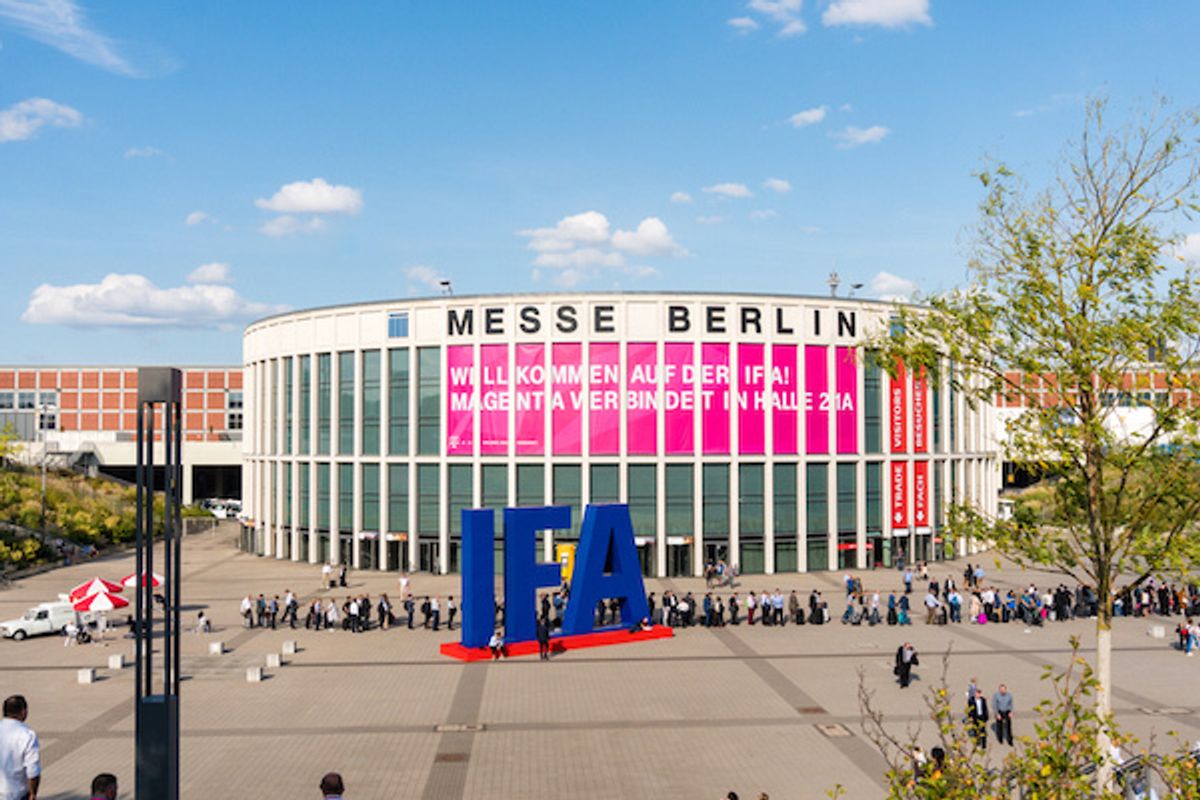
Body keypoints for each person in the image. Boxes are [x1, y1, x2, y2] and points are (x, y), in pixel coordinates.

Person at [1, 695, 40, 800]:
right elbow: (33, 770)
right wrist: (33, 794)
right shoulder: (27, 735)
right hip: (16, 794)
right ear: (23, 712)